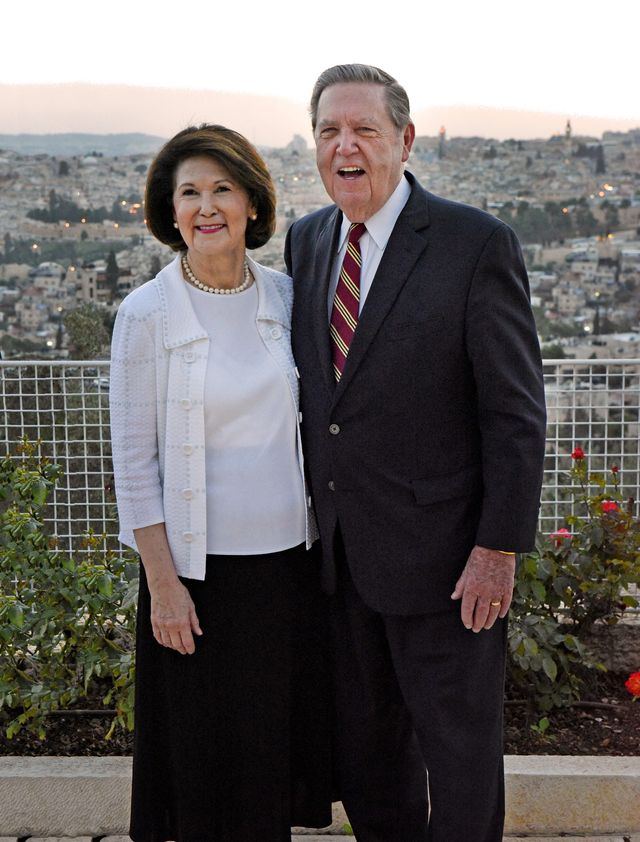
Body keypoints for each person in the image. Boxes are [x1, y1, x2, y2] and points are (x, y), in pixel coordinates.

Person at [285, 65, 547, 842]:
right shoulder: (307, 240)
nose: (345, 147)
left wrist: (497, 548)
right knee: (369, 762)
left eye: (363, 129)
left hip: (448, 566)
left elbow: (514, 414)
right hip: (341, 563)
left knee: (460, 760)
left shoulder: (475, 243)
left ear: (404, 139)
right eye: (329, 131)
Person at [109, 124, 332, 842]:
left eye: (222, 189)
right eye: (190, 193)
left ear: (252, 203)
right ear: (169, 211)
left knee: (268, 758)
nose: (207, 207)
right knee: (200, 769)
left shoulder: (288, 297)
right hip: (193, 580)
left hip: (284, 573)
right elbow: (134, 463)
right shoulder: (146, 314)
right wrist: (163, 586)